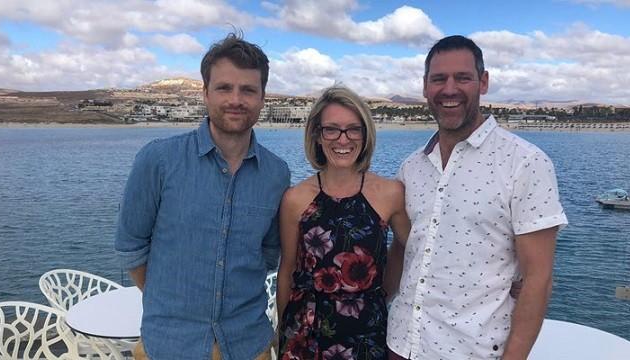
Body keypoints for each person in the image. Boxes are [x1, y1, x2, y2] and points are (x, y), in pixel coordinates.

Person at [385, 35, 568, 360]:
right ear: (425, 87)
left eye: (463, 77)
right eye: (439, 79)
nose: (449, 89)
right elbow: (404, 249)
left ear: (483, 82)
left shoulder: (524, 163)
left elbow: (538, 280)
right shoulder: (411, 167)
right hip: (400, 344)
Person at [114, 32, 290, 360]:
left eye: (248, 90)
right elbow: (131, 246)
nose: (235, 99)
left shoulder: (276, 174)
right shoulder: (158, 160)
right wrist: (172, 299)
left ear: (263, 98)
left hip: (249, 345)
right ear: (206, 93)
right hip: (169, 345)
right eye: (224, 87)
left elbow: (267, 254)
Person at [276, 85, 411, 359]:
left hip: (367, 333)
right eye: (332, 129)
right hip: (305, 335)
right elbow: (287, 271)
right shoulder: (295, 199)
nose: (343, 139)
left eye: (353, 129)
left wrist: (386, 289)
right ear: (317, 134)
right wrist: (282, 334)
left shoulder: (390, 194)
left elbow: (415, 249)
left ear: (365, 133)